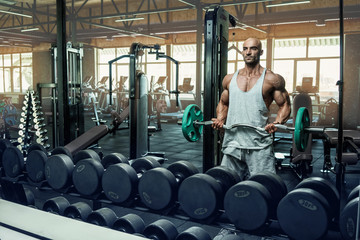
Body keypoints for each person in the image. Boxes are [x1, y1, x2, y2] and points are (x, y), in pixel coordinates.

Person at [212, 37, 291, 180]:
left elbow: (285, 104)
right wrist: (219, 119)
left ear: (260, 52)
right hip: (233, 143)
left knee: (264, 187)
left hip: (259, 145)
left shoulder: (271, 79)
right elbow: (223, 103)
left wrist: (277, 123)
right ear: (242, 52)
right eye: (245, 49)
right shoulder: (229, 79)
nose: (248, 52)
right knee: (226, 184)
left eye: (253, 48)